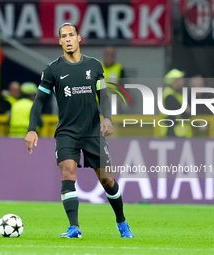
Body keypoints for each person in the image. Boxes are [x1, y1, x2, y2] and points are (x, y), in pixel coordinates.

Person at [25, 23, 133, 239]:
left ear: (78, 38)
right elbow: (39, 101)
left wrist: (108, 118)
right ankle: (74, 227)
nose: (67, 39)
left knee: (108, 181)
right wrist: (31, 129)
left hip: (93, 132)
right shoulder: (53, 69)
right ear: (59, 41)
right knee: (67, 172)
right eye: (63, 36)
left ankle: (121, 221)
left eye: (71, 35)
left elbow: (103, 95)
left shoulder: (94, 66)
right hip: (67, 133)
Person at [160, 69, 193, 138]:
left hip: (179, 133)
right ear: (174, 81)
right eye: (180, 79)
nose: (183, 81)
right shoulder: (169, 96)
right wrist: (187, 110)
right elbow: (185, 114)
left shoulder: (176, 94)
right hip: (175, 133)